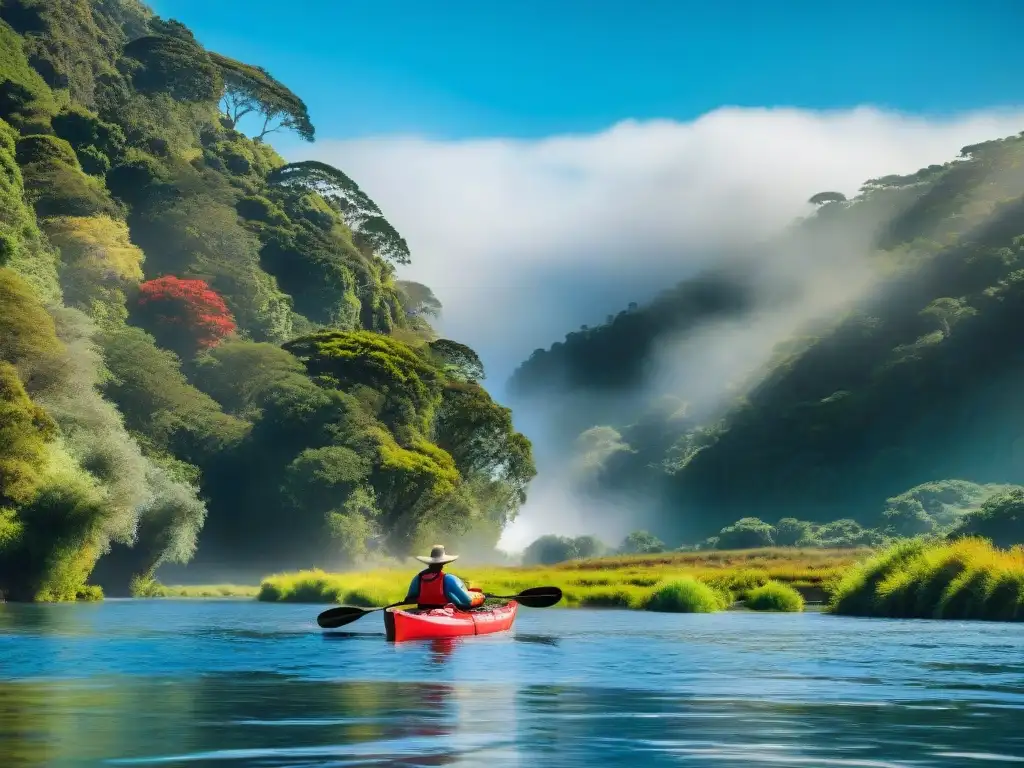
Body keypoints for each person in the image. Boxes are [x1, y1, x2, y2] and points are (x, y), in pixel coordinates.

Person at [405, 545, 485, 611]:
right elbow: (467, 601)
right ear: (443, 564)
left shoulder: (418, 578)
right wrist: (480, 596)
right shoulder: (449, 579)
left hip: (422, 609)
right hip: (444, 612)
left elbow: (409, 599)